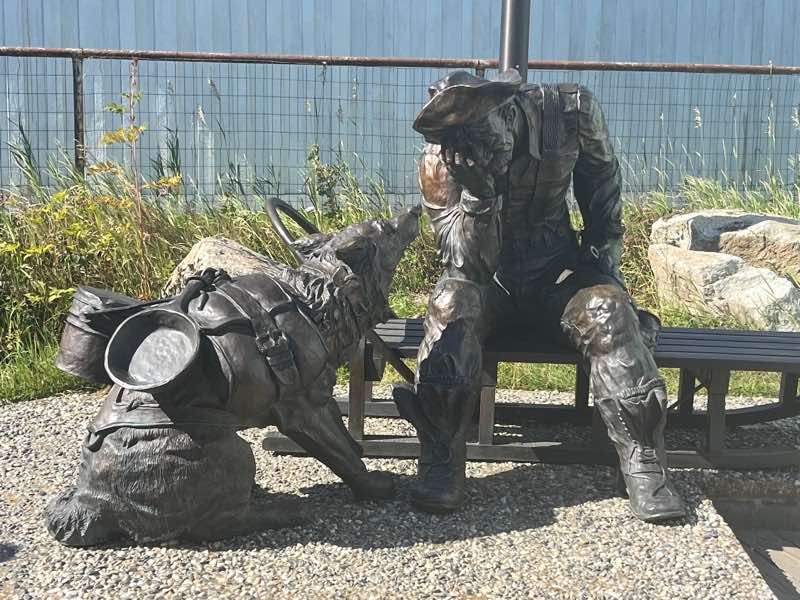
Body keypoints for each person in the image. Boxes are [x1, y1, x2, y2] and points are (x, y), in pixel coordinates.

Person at [393, 69, 687, 523]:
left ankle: (643, 460)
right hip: (488, 283)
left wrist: (607, 269)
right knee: (449, 305)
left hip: (557, 274)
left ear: (506, 109)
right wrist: (479, 194)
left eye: (490, 144)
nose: (485, 157)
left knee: (608, 309)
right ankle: (441, 459)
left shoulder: (570, 110)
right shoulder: (443, 161)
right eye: (471, 150)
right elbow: (465, 264)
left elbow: (602, 177)